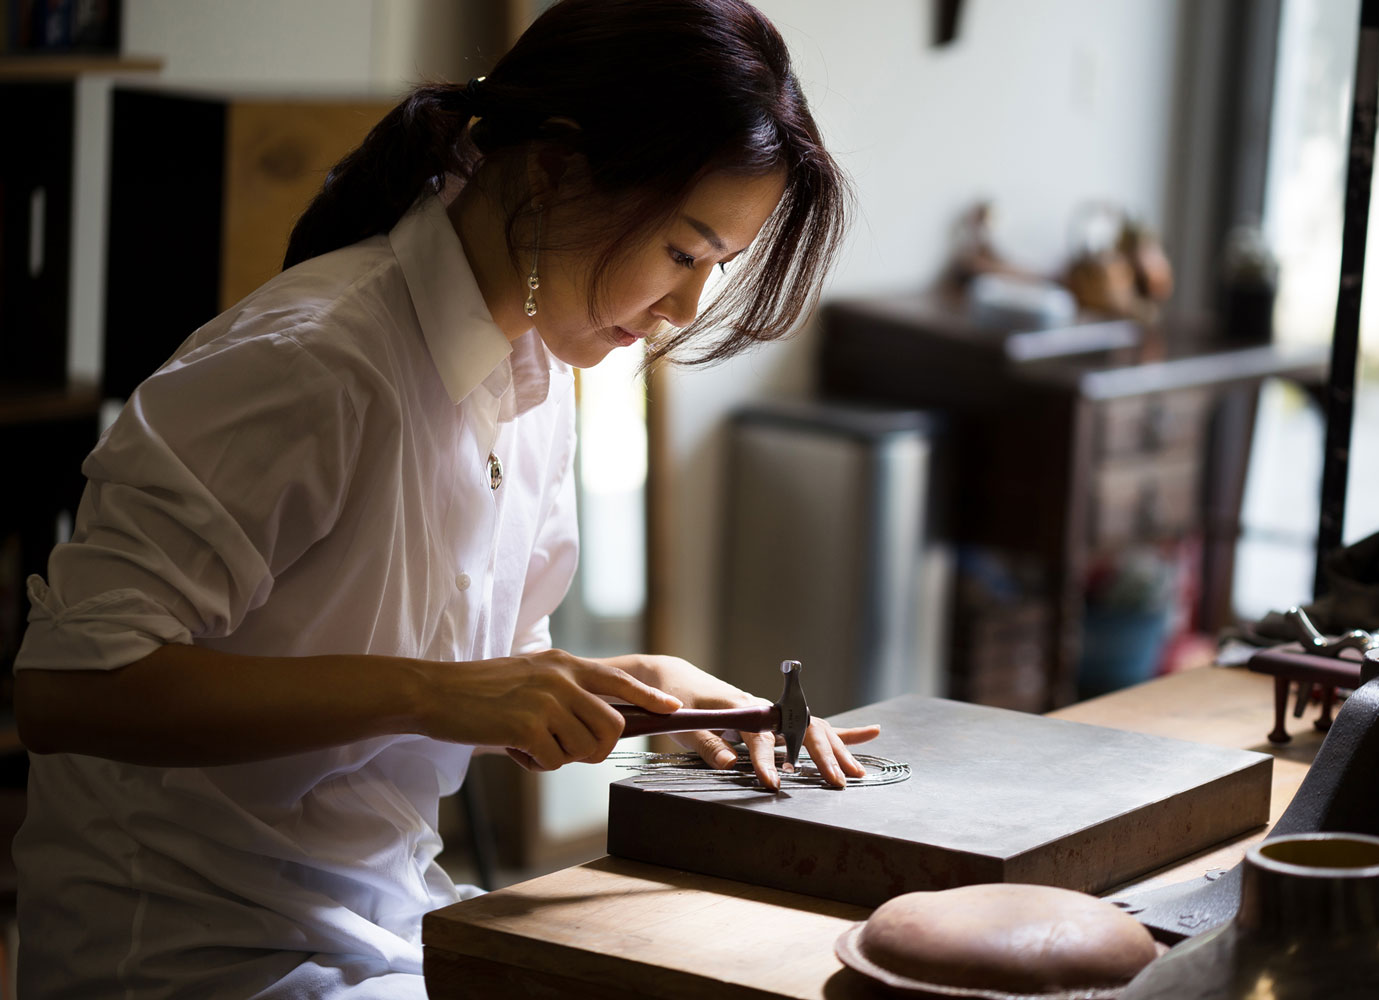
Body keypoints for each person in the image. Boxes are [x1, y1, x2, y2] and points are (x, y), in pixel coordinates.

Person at [10, 1, 876, 996]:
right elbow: (69, 688)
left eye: (714, 268)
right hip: (192, 952)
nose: (685, 307)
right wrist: (432, 692)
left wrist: (629, 685)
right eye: (683, 254)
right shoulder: (315, 362)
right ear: (553, 170)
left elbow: (466, 671)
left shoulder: (533, 379)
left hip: (381, 915)